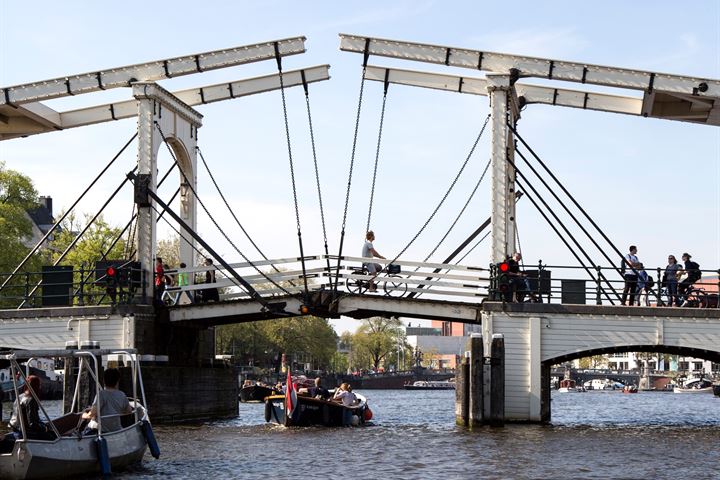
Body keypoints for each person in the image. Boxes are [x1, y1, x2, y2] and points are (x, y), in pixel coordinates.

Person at [82, 368, 132, 433]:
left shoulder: (101, 394)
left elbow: (91, 414)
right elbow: (129, 411)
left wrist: (83, 415)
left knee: (84, 422)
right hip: (116, 429)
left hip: (100, 430)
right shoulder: (122, 395)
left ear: (104, 381)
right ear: (117, 381)